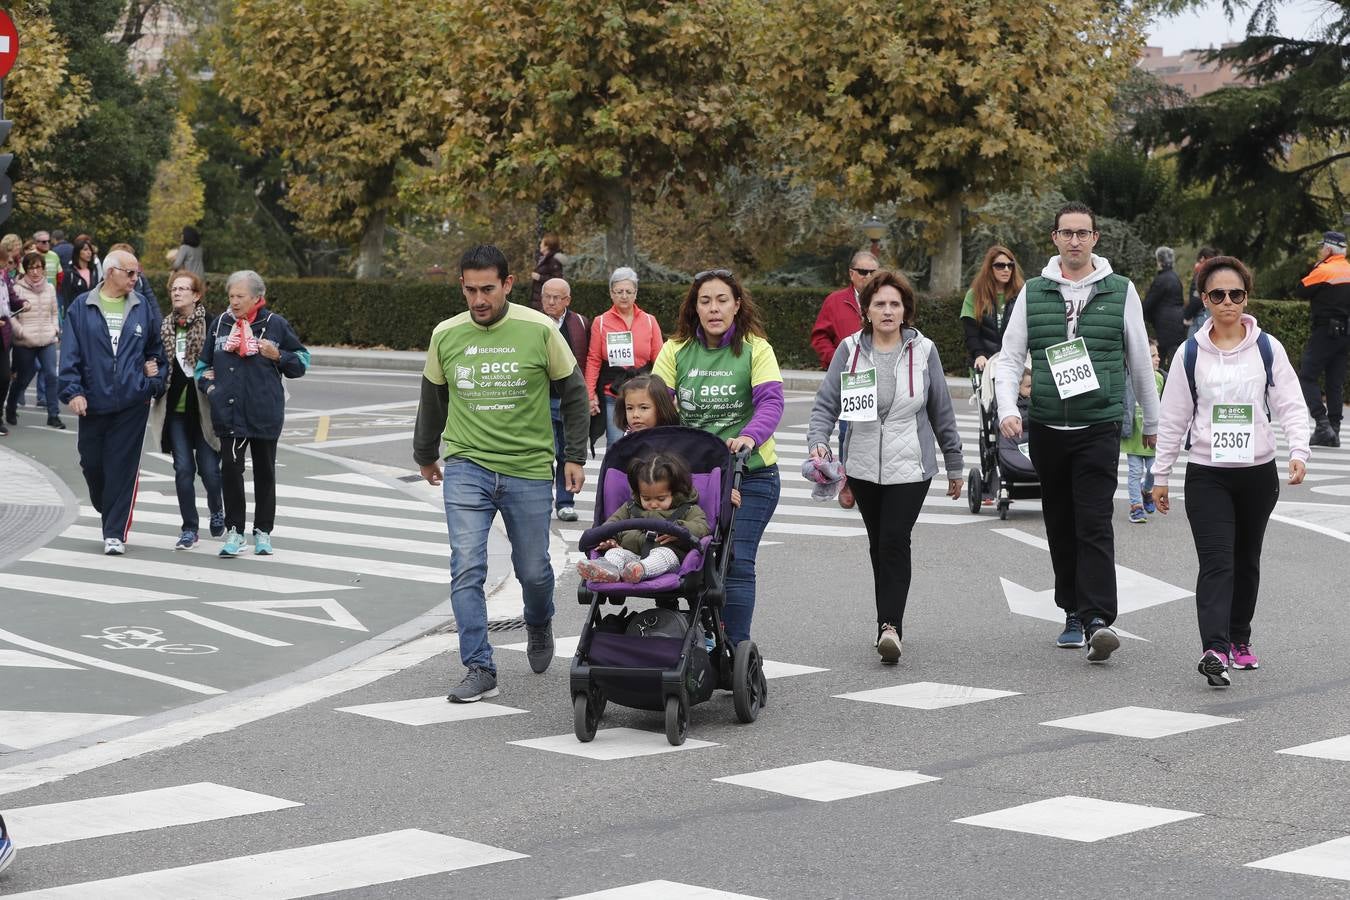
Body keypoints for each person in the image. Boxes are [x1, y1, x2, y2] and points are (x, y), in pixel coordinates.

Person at [413, 244, 589, 703]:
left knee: (533, 570)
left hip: (528, 468)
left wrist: (574, 455)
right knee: (466, 566)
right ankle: (479, 666)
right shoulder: (446, 335)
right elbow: (433, 399)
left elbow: (573, 393)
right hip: (466, 465)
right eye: (470, 290)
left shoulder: (538, 329)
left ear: (508, 284)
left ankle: (539, 620)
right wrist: (425, 454)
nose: (478, 300)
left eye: (487, 289)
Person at [995, 202, 1159, 662]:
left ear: (1095, 239)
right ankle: (1071, 610)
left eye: (1082, 233)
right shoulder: (1033, 291)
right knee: (1061, 522)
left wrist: (1154, 424)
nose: (1074, 241)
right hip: (1047, 423)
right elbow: (1009, 358)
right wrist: (1008, 406)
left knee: (1094, 522)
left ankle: (1099, 619)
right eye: (1066, 233)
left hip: (1098, 424)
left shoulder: (1120, 290)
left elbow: (1140, 362)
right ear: (1054, 239)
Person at [1153, 256, 1310, 687]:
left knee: (1247, 560)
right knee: (1217, 561)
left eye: (1235, 294)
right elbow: (1172, 418)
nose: (1227, 302)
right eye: (1218, 295)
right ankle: (1215, 649)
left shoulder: (1267, 348)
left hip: (1257, 473)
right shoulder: (1189, 353)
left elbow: (1291, 404)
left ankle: (1240, 638)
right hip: (1207, 473)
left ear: (1246, 297)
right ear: (1204, 300)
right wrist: (1160, 475)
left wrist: (1299, 450)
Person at [807, 269, 964, 663]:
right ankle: (886, 622)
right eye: (880, 303)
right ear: (868, 310)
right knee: (879, 544)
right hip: (861, 466)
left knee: (895, 540)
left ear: (906, 310)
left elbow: (941, 409)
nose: (888, 310)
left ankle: (890, 626)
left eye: (895, 304)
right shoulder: (850, 350)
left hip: (911, 465)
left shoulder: (924, 350)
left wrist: (955, 463)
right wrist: (818, 443)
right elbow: (827, 403)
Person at [653, 268, 783, 646]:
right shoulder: (676, 349)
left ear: (737, 305)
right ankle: (685, 637)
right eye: (705, 301)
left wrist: (748, 436)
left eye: (722, 300)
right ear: (695, 308)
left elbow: (771, 402)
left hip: (750, 474)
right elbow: (660, 401)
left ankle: (733, 647)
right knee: (679, 557)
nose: (714, 308)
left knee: (737, 561)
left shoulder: (756, 348)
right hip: (690, 477)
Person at [58, 248, 167, 555]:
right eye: (130, 273)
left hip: (132, 402)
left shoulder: (142, 306)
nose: (136, 278)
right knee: (92, 463)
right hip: (93, 401)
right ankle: (104, 501)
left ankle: (114, 533)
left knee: (122, 466)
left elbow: (156, 351)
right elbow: (70, 354)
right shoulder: (82, 306)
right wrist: (73, 391)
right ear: (110, 272)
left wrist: (152, 382)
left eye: (137, 273)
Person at [197, 271, 308, 558]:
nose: (234, 302)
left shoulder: (275, 325)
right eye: (231, 296)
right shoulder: (220, 324)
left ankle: (263, 532)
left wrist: (278, 355)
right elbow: (202, 365)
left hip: (264, 411)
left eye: (240, 297)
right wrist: (210, 388)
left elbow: (301, 362)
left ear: (257, 297)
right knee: (231, 472)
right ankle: (235, 531)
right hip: (228, 412)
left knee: (265, 472)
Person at [149, 270, 224, 549]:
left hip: (203, 410)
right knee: (182, 469)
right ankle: (189, 528)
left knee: (209, 471)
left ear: (196, 295)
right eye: (173, 289)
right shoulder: (165, 326)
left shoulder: (211, 324)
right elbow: (155, 360)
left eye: (183, 289)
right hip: (175, 412)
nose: (177, 293)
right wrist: (150, 369)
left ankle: (217, 509)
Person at [576, 452, 711, 584]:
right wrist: (609, 540)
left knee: (663, 555)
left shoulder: (688, 509)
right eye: (646, 498)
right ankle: (607, 570)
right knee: (615, 553)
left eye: (661, 498)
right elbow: (611, 524)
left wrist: (681, 530)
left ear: (676, 492)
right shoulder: (630, 508)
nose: (652, 504)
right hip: (632, 556)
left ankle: (640, 570)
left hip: (669, 559)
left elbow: (702, 527)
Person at [810, 250, 877, 509]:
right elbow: (819, 336)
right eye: (863, 272)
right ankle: (848, 480)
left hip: (880, 375)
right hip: (852, 377)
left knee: (878, 429)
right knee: (848, 430)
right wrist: (834, 360)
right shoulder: (836, 301)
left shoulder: (883, 299)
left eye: (873, 272)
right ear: (852, 274)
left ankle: (874, 481)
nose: (868, 277)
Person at [585, 266, 663, 446]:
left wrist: (665, 392)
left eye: (629, 291)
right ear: (611, 293)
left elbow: (660, 360)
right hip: (614, 393)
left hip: (644, 392)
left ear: (636, 293)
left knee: (645, 442)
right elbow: (594, 359)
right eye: (619, 291)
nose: (624, 296)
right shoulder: (601, 321)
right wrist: (589, 394)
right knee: (616, 444)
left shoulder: (650, 321)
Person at [1294, 230, 1350, 448]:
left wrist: (1317, 267)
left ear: (1328, 249)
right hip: (1346, 333)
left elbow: (1300, 290)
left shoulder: (1324, 270)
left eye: (1322, 247)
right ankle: (1334, 431)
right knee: (1335, 382)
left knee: (1307, 375)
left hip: (1325, 331)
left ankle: (1322, 423)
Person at [539, 276, 588, 521]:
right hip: (540, 400)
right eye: (546, 296)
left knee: (567, 452)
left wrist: (590, 395)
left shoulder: (579, 323)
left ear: (567, 300)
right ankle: (543, 500)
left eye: (556, 297)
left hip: (568, 400)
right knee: (546, 451)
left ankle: (565, 502)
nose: (550, 301)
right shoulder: (534, 322)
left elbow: (589, 361)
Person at [7, 252, 65, 429]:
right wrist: (20, 331)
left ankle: (53, 415)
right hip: (25, 341)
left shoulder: (49, 288)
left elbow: (55, 312)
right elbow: (10, 315)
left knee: (52, 375)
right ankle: (10, 405)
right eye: (31, 267)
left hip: (47, 339)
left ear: (43, 269)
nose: (35, 271)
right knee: (23, 377)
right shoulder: (17, 288)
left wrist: (55, 328)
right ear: (25, 269)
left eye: (38, 267)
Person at [961, 245, 1024, 371]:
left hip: (1015, 363)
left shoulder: (1022, 294)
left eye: (1010, 265)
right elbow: (971, 333)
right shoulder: (975, 295)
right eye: (1000, 265)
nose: (1006, 269)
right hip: (985, 363)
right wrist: (979, 354)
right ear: (989, 268)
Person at [1121, 339, 1163, 524]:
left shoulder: (1161, 379)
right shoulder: (1128, 377)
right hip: (1134, 436)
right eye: (1153, 356)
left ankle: (1146, 491)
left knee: (1154, 470)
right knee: (1134, 472)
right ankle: (1136, 507)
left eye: (1157, 355)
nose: (1158, 359)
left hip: (1154, 436)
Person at [1141, 246, 1186, 365]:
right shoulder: (1175, 278)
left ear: (1159, 261)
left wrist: (1146, 316)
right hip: (1178, 324)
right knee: (1175, 360)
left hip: (1164, 325)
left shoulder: (1161, 280)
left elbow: (1148, 304)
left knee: (1160, 361)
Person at [0, 245, 23, 436]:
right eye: (4, 261)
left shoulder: (4, 277)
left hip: (3, 334)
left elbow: (12, 298)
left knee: (5, 377)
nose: (7, 266)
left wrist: (23, 303)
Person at [613, 373, 679, 434]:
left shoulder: (671, 439)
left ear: (661, 408)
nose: (635, 415)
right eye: (629, 408)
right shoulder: (626, 440)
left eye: (644, 408)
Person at [1183, 246, 1220, 338]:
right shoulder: (1217, 273)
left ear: (1202, 258)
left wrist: (1187, 316)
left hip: (1201, 317)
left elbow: (1197, 298)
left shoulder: (1202, 273)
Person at [61, 236, 99, 316]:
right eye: (85, 249)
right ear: (78, 252)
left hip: (91, 313)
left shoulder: (94, 271)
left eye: (90, 250)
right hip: (76, 313)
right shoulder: (69, 273)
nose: (89, 252)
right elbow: (66, 297)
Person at [529, 232, 564, 310]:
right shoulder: (543, 258)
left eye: (542, 242)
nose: (540, 244)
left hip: (546, 301)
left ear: (547, 246)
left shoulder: (553, 260)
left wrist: (539, 277)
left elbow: (557, 280)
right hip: (539, 300)